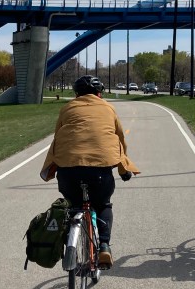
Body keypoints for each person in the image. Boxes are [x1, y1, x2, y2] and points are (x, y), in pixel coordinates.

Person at [39, 75, 139, 268]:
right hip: (100, 170)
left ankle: (71, 241)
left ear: (76, 94)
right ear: (99, 93)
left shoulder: (67, 108)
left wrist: (53, 166)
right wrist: (123, 168)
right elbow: (119, 140)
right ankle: (103, 246)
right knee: (103, 204)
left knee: (73, 205)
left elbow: (58, 138)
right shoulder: (109, 108)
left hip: (68, 170)